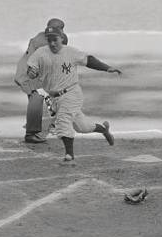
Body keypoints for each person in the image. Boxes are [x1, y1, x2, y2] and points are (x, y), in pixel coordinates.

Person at [26, 25, 122, 166]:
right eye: (49, 40)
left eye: (55, 39)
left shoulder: (70, 52)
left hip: (71, 93)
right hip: (54, 98)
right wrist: (31, 73)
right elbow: (31, 70)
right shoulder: (40, 53)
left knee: (63, 121)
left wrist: (107, 68)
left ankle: (69, 156)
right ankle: (103, 129)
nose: (52, 43)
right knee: (81, 126)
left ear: (61, 38)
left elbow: (89, 60)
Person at [14, 18, 68, 144]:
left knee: (47, 95)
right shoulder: (44, 43)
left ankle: (54, 122)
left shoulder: (46, 37)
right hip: (30, 73)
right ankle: (31, 134)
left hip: (29, 71)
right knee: (36, 98)